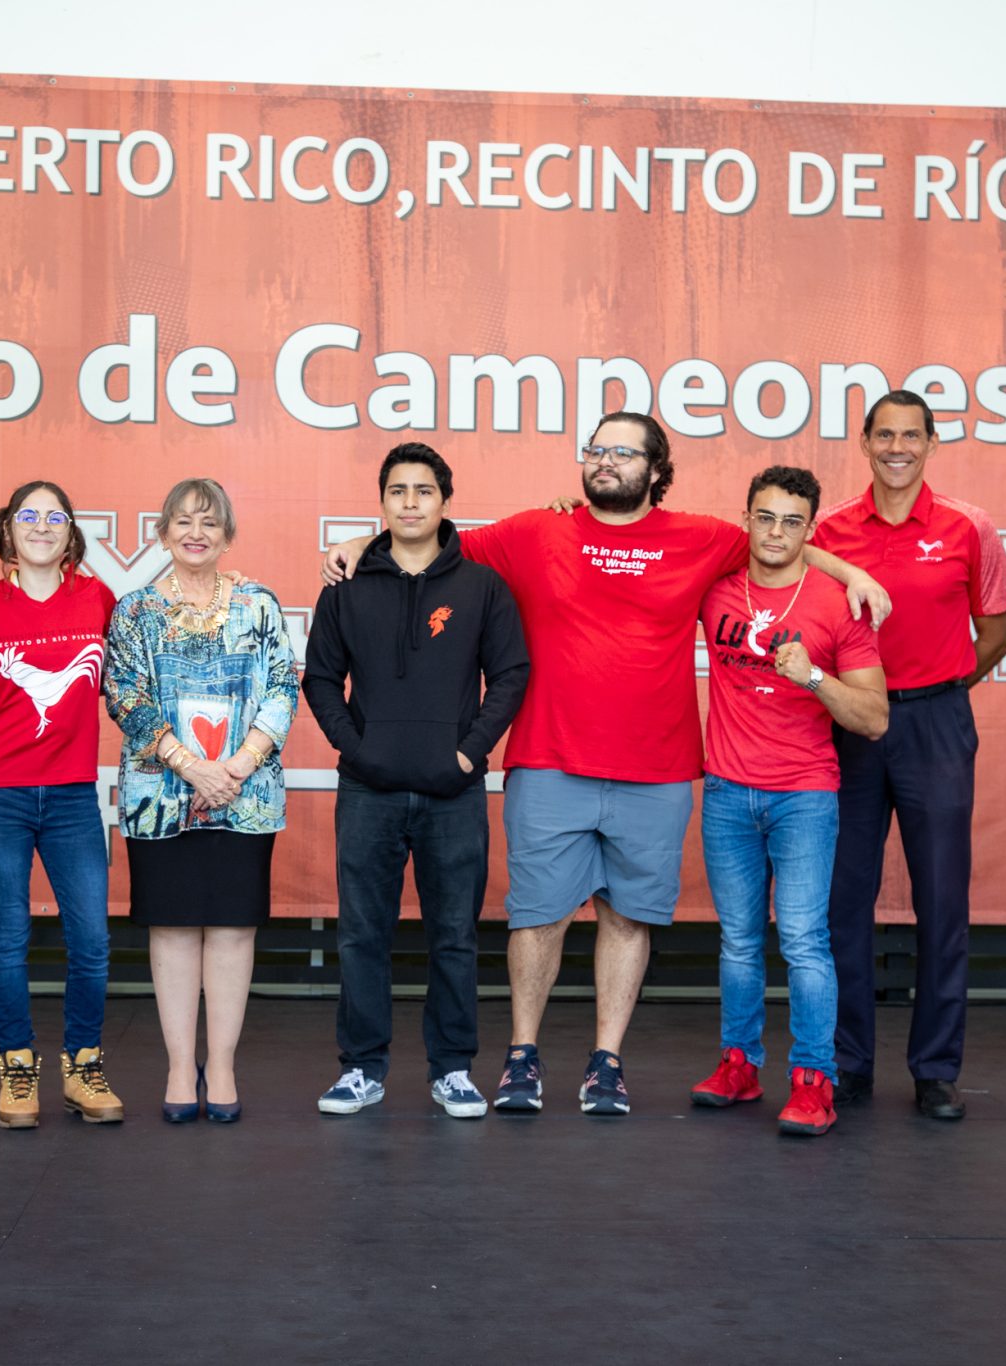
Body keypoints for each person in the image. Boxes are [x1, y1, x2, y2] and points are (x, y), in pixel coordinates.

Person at [326, 413, 889, 1117]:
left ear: (656, 468)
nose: (606, 462)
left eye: (623, 452)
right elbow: (427, 537)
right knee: (537, 919)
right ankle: (522, 1060)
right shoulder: (537, 531)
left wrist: (852, 571)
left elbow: (780, 546)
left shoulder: (701, 538)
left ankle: (606, 1064)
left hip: (655, 771)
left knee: (628, 918)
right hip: (549, 759)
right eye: (596, 449)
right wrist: (358, 540)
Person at [303, 443, 530, 1119]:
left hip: (452, 793)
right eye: (397, 491)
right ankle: (360, 1069)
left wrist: (468, 753)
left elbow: (511, 674)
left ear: (444, 502)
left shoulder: (482, 587)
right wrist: (358, 748)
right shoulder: (346, 587)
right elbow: (319, 678)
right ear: (382, 502)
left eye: (423, 491)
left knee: (454, 934)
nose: (410, 502)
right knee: (361, 935)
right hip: (367, 790)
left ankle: (454, 1068)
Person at [811, 390, 1006, 1120]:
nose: (898, 447)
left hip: (935, 724)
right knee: (844, 905)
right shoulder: (828, 530)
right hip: (850, 731)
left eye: (912, 436)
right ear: (865, 443)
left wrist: (939, 687)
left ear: (931, 445)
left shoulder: (969, 527)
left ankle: (935, 1069)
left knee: (941, 903)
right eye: (884, 435)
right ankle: (846, 1062)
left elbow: (996, 633)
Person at [690, 466, 887, 1137]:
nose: (776, 533)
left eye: (792, 521)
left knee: (804, 942)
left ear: (811, 527)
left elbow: (874, 717)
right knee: (739, 942)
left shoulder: (836, 605)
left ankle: (813, 1079)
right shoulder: (714, 588)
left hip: (805, 795)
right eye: (765, 518)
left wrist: (816, 678)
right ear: (746, 518)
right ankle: (740, 1064)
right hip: (726, 791)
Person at [0, 480, 123, 1129]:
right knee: (7, 939)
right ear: (7, 532)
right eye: (28, 515)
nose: (41, 525)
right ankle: (16, 1070)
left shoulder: (97, 599)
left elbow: (138, 673)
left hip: (70, 795)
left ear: (71, 533)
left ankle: (83, 1066)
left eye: (55, 516)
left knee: (91, 939)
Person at [104, 478, 299, 1124]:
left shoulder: (258, 604)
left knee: (233, 929)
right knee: (174, 927)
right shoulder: (133, 611)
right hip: (161, 797)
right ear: (162, 533)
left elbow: (280, 689)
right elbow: (125, 696)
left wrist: (235, 769)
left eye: (209, 522)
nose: (196, 533)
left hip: (246, 795)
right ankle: (176, 1065)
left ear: (227, 535)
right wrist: (192, 769)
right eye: (183, 522)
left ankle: (221, 1066)